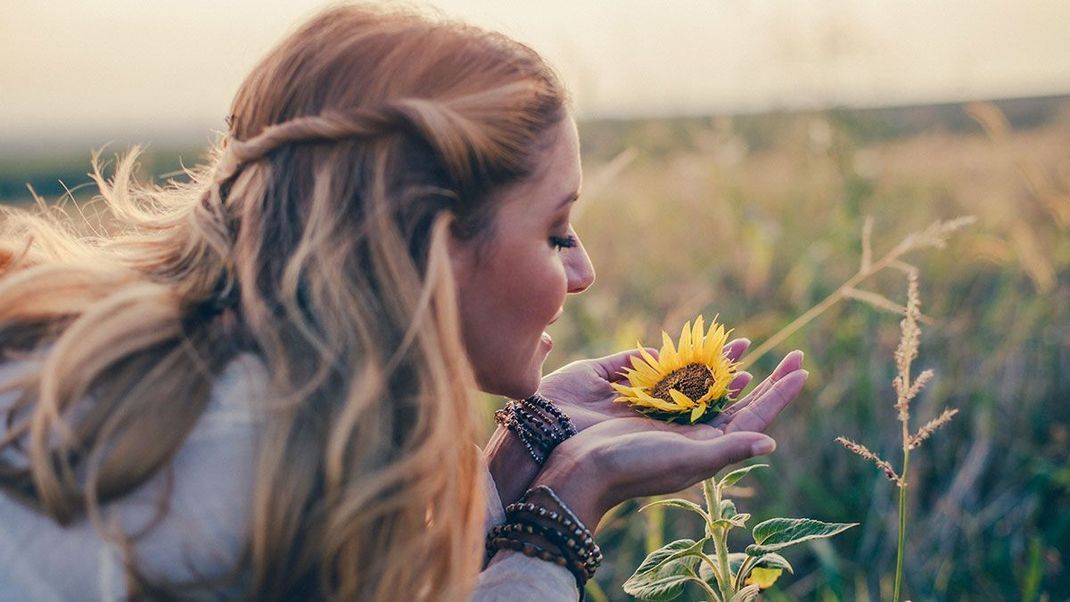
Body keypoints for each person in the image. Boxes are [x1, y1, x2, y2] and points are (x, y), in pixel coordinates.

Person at [0, 4, 808, 601]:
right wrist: (564, 514)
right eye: (556, 231)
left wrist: (520, 460)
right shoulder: (244, 464)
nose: (583, 271)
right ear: (427, 244)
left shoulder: (220, 386)